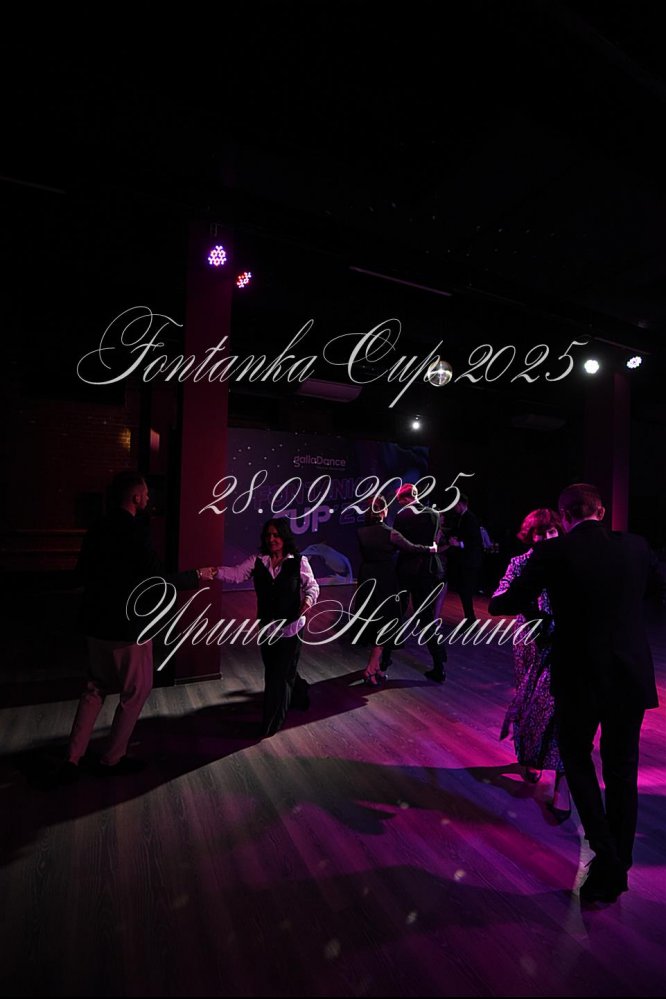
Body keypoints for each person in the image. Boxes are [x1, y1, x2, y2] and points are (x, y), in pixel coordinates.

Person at [489, 484, 660, 903]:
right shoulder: (636, 547)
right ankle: (619, 861)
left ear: (564, 516)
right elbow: (657, 589)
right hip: (630, 676)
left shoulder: (553, 552)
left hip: (579, 676)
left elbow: (504, 604)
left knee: (577, 760)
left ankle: (607, 855)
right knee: (622, 770)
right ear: (601, 511)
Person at [65, 472, 215, 777]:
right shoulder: (136, 532)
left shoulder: (97, 527)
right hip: (128, 628)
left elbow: (81, 574)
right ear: (135, 497)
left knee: (94, 688)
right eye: (145, 494)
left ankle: (72, 757)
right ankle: (112, 758)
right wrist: (195, 576)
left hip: (95, 623)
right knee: (137, 690)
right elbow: (155, 581)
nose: (148, 498)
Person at [493, 508, 570, 813]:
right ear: (530, 536)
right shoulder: (520, 563)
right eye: (540, 533)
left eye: (552, 531)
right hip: (529, 641)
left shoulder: (570, 561)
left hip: (563, 641)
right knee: (528, 703)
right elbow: (500, 596)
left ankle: (563, 784)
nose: (547, 537)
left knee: (561, 709)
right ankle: (531, 756)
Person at [215, 518, 319, 736]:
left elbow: (312, 586)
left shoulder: (299, 561)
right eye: (268, 535)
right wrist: (212, 572)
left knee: (277, 677)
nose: (271, 539)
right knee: (277, 670)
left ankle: (271, 724)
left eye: (276, 535)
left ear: (284, 537)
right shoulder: (258, 561)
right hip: (267, 628)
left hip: (291, 627)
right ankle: (300, 691)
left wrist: (308, 601)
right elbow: (236, 574)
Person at [356, 495, 437, 685]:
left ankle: (377, 667)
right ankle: (371, 668)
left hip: (366, 578)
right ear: (384, 512)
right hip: (385, 579)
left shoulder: (361, 532)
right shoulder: (390, 533)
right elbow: (411, 548)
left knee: (373, 622)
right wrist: (430, 549)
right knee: (386, 623)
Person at [393, 483, 447, 682]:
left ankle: (383, 662)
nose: (399, 504)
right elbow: (435, 541)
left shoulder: (402, 516)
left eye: (400, 500)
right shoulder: (434, 514)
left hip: (407, 569)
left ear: (405, 498)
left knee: (396, 614)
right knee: (426, 618)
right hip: (428, 570)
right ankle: (439, 664)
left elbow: (399, 544)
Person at [448, 493, 483, 623]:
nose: (454, 508)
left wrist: (459, 544)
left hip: (470, 561)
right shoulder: (463, 517)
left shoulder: (470, 518)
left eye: (455, 505)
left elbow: (476, 541)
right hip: (467, 561)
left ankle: (470, 619)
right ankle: (469, 618)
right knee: (464, 590)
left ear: (460, 504)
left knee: (465, 590)